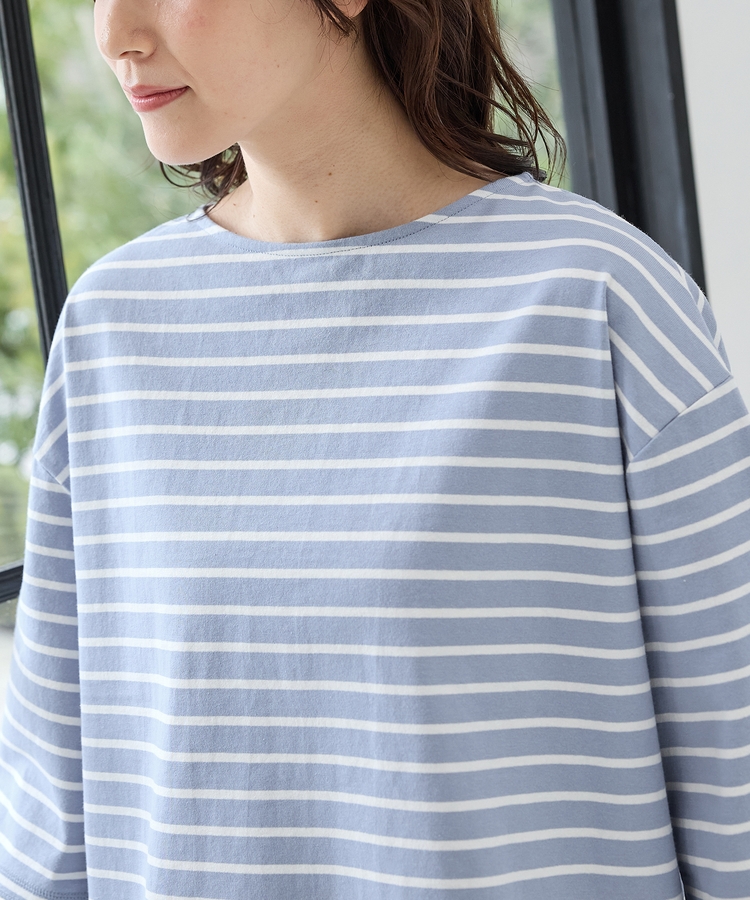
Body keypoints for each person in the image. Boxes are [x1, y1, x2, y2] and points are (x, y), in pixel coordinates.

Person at [0, 0, 748, 897]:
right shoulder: (111, 328)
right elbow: (49, 827)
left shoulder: (602, 305)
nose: (114, 31)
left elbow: (736, 799)